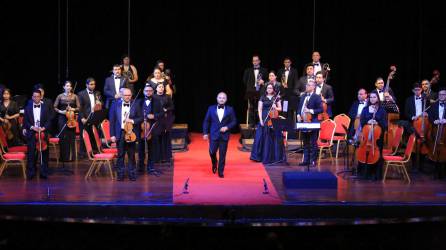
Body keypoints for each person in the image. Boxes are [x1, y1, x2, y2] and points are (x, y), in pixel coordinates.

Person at [109, 88, 142, 181]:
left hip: (131, 133)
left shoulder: (136, 104)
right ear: (122, 95)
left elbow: (141, 118)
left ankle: (132, 174)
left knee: (131, 155)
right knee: (120, 155)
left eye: (129, 95)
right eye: (126, 95)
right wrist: (112, 135)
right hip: (120, 133)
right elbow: (112, 121)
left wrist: (132, 120)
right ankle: (120, 175)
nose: (128, 97)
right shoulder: (115, 104)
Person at [250, 83, 287, 165]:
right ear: (266, 89)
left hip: (274, 117)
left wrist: (275, 107)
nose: (269, 89)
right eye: (268, 88)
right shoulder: (262, 97)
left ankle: (275, 157)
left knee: (274, 137)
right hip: (264, 118)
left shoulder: (276, 98)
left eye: (271, 88)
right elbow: (260, 109)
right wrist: (260, 120)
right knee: (263, 136)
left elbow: (280, 109)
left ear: (273, 89)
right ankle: (261, 156)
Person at [203, 92, 237, 178]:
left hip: (224, 135)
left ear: (226, 99)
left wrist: (227, 127)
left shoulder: (230, 109)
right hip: (214, 134)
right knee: (212, 151)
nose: (221, 99)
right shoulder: (211, 108)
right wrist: (205, 133)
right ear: (217, 98)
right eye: (220, 97)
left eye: (223, 98)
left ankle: (220, 171)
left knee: (222, 154)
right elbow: (206, 121)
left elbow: (234, 121)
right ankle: (214, 162)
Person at [358, 92, 387, 180]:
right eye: (371, 97)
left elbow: (385, 124)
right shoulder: (365, 109)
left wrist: (377, 122)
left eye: (374, 97)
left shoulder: (382, 110)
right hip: (367, 137)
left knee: (377, 155)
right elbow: (362, 121)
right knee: (364, 152)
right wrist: (367, 122)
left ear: (377, 98)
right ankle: (364, 173)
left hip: (377, 138)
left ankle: (375, 174)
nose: (372, 99)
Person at [23, 89, 51, 179]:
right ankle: (31, 173)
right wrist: (32, 127)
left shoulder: (46, 107)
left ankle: (44, 172)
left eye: (38, 96)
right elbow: (25, 121)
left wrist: (44, 128)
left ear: (41, 97)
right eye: (34, 96)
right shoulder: (27, 108)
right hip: (32, 132)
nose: (36, 98)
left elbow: (49, 121)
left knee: (44, 154)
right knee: (31, 153)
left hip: (43, 133)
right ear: (32, 97)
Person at [138, 84, 163, 176]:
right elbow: (135, 114)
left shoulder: (157, 101)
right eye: (146, 91)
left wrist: (154, 116)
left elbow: (162, 114)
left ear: (153, 92)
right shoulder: (139, 101)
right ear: (144, 92)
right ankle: (140, 167)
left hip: (153, 128)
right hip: (141, 128)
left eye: (150, 91)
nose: (148, 92)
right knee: (141, 149)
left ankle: (151, 167)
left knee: (152, 148)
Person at [296, 80, 322, 167]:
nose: (307, 86)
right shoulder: (303, 96)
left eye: (309, 85)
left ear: (313, 87)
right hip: (303, 122)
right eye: (306, 85)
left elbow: (320, 109)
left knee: (313, 142)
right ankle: (306, 160)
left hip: (312, 122)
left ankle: (313, 161)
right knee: (305, 142)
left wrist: (310, 110)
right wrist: (298, 114)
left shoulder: (317, 97)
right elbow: (299, 107)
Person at [54, 81, 80, 162]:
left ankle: (72, 157)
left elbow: (79, 107)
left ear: (71, 88)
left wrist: (73, 109)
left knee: (71, 137)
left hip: (71, 118)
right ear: (64, 87)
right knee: (63, 137)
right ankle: (64, 157)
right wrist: (61, 112)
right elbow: (54, 107)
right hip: (62, 117)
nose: (68, 87)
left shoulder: (75, 96)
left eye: (70, 86)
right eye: (67, 86)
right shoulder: (60, 96)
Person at [77, 78, 103, 157]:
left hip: (94, 117)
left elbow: (102, 103)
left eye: (94, 84)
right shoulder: (81, 94)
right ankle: (83, 153)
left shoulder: (97, 93)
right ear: (87, 85)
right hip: (85, 117)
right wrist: (82, 118)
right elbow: (79, 108)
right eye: (91, 84)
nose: (93, 86)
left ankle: (94, 151)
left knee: (94, 135)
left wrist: (100, 103)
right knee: (84, 136)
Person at [152, 83, 174, 165]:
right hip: (156, 120)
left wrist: (166, 109)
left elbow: (172, 107)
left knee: (165, 138)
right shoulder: (153, 97)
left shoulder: (167, 96)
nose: (161, 88)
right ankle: (157, 157)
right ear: (156, 88)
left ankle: (166, 157)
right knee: (157, 139)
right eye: (159, 87)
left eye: (162, 87)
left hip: (165, 120)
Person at [243, 54, 268, 127]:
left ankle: (259, 122)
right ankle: (251, 123)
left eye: (256, 60)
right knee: (251, 107)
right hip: (251, 91)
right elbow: (244, 80)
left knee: (260, 107)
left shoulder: (264, 70)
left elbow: (267, 80)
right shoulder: (248, 70)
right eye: (254, 61)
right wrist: (250, 86)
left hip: (261, 91)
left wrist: (263, 82)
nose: (255, 62)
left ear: (259, 61)